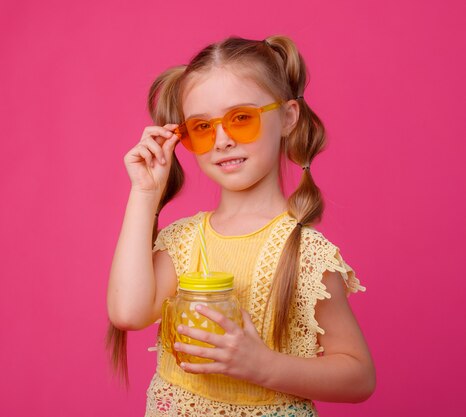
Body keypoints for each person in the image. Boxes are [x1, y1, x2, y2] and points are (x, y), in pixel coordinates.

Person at [106, 35, 376, 416]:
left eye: (242, 119)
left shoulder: (304, 252)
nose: (223, 140)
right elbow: (127, 312)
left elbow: (359, 376)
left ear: (287, 118)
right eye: (202, 127)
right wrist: (145, 192)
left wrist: (263, 366)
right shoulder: (184, 241)